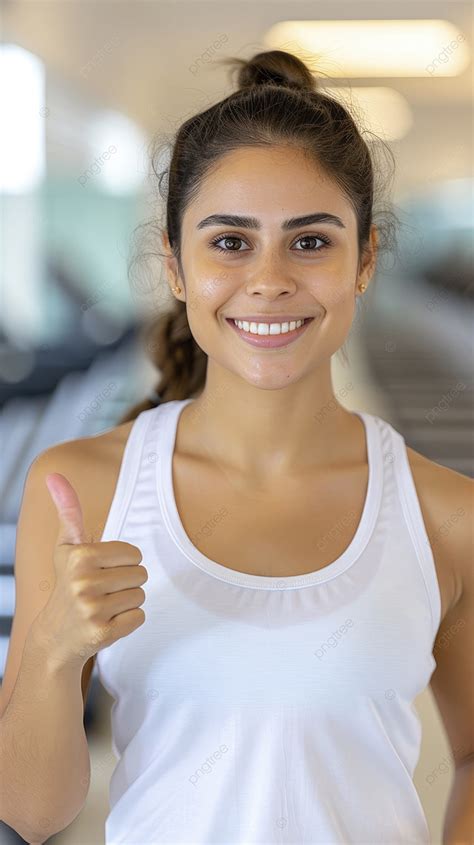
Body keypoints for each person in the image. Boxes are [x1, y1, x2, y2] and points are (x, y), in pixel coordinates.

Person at [1, 50, 472, 845]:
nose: (269, 279)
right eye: (229, 242)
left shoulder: (448, 514)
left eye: (311, 242)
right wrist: (52, 648)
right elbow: (29, 811)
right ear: (175, 265)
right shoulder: (81, 490)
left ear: (366, 260)